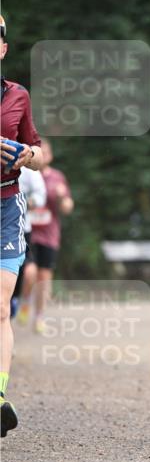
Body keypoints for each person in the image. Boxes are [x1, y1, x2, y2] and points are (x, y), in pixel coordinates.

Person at [0, 14, 44, 437]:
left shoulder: (18, 96)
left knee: (0, 306)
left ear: (3, 48)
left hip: (6, 208)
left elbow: (38, 149)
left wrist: (27, 156)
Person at [16, 138, 74, 334]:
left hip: (48, 234)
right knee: (28, 273)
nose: (43, 156)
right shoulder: (22, 173)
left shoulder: (57, 178)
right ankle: (24, 302)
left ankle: (39, 316)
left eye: (46, 152)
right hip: (26, 231)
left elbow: (67, 206)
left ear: (50, 155)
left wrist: (61, 197)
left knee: (44, 277)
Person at [11, 166, 47, 318]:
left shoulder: (28, 168)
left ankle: (21, 300)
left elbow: (40, 196)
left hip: (21, 229)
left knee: (29, 272)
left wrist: (25, 202)